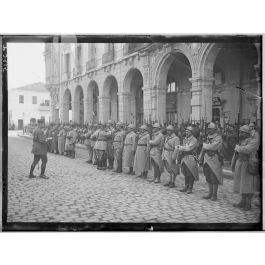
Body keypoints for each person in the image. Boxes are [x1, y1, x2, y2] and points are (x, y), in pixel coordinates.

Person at [231, 125, 260, 210]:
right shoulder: (242, 141)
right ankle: (242, 201)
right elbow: (236, 153)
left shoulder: (253, 141)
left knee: (248, 184)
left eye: (242, 132)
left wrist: (238, 148)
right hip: (240, 163)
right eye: (240, 132)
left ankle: (248, 204)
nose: (240, 133)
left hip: (248, 164)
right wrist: (233, 163)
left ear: (247, 133)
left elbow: (247, 150)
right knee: (241, 183)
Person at [199, 122, 223, 201]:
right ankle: (210, 193)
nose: (209, 130)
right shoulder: (208, 137)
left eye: (211, 129)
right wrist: (201, 157)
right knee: (208, 176)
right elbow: (203, 149)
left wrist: (205, 145)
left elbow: (212, 147)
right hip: (207, 158)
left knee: (214, 176)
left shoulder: (218, 138)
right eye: (208, 129)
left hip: (215, 159)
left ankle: (214, 194)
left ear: (215, 130)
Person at [176, 126, 199, 194]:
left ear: (191, 132)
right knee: (186, 173)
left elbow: (188, 148)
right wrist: (179, 156)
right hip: (185, 157)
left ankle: (190, 187)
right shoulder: (185, 139)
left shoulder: (194, 140)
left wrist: (180, 147)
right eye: (186, 131)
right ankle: (186, 186)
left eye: (188, 131)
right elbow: (182, 148)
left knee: (190, 173)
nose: (186, 133)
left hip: (191, 157)